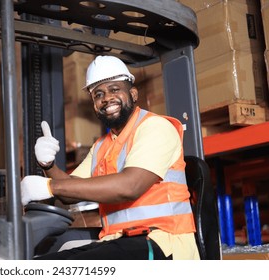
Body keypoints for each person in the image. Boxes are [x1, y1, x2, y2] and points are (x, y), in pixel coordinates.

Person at [20, 55, 200, 260]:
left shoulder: (155, 127)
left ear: (133, 94)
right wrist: (48, 165)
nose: (106, 98)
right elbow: (69, 192)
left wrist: (49, 186)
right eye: (98, 94)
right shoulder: (101, 146)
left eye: (114, 89)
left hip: (164, 243)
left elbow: (129, 187)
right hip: (120, 241)